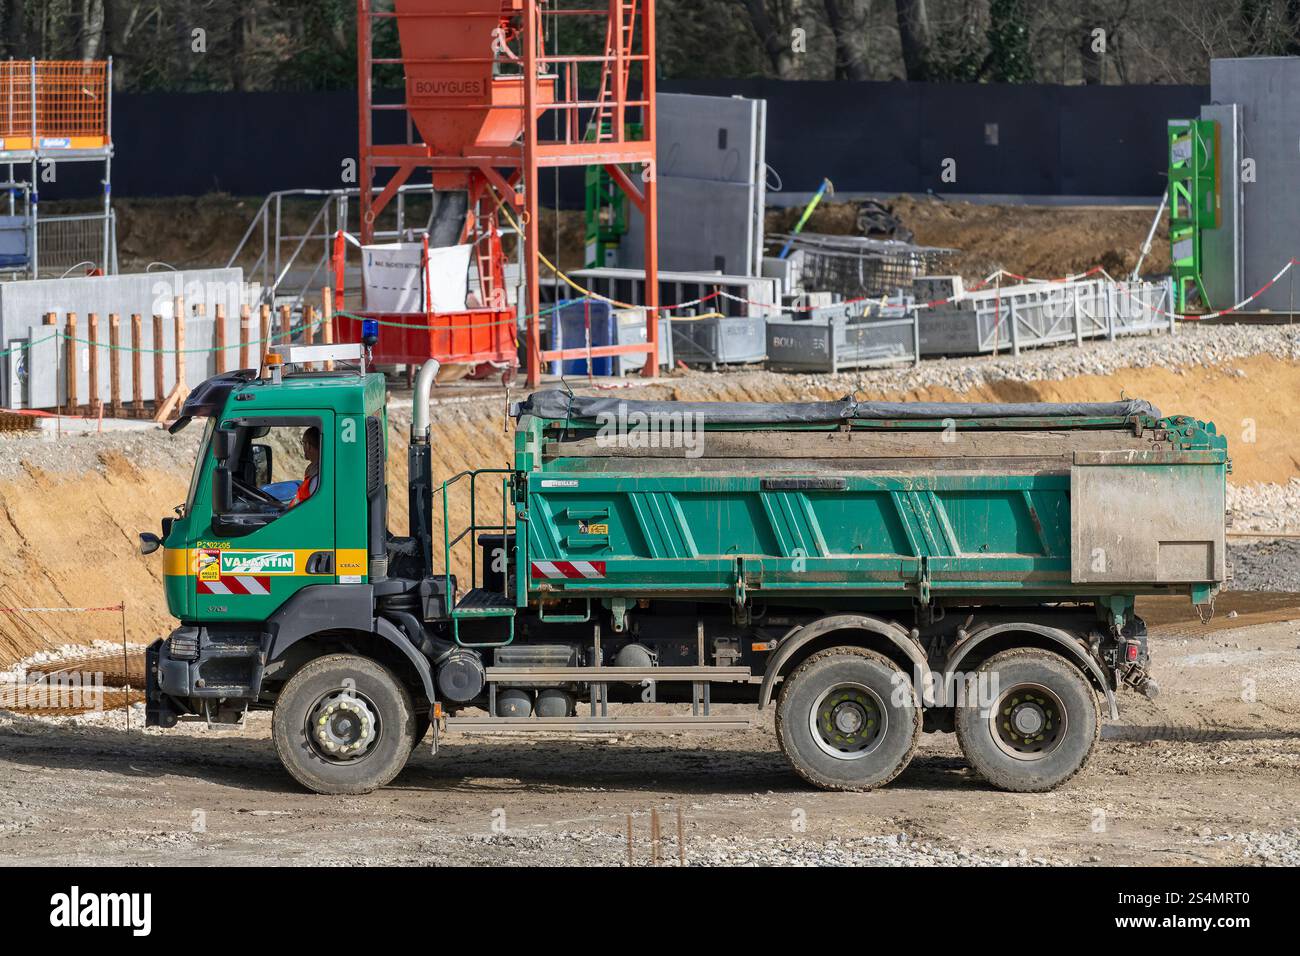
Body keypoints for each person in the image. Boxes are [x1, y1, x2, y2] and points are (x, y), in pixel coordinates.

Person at [290, 426, 321, 507]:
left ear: (308, 446)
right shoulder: (316, 472)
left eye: (303, 443)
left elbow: (314, 508)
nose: (303, 447)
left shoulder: (316, 479)